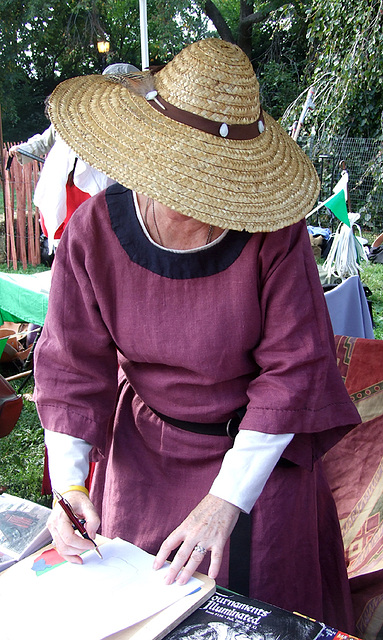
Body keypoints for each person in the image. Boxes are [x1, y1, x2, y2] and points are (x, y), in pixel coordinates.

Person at [34, 39, 361, 633]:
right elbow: (70, 368)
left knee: (260, 617)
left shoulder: (275, 234)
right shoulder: (93, 233)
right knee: (142, 613)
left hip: (261, 465)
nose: (220, 207)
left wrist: (225, 500)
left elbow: (293, 369)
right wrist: (70, 486)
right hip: (146, 457)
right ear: (156, 165)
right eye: (203, 189)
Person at [9, 63, 138, 251]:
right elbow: (47, 139)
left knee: (99, 241)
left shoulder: (132, 117)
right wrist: (22, 149)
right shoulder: (79, 111)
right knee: (67, 242)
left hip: (101, 185)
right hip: (67, 184)